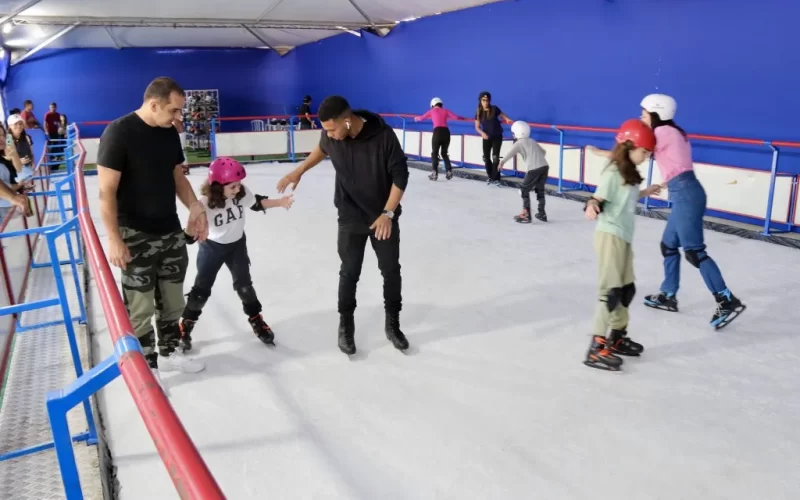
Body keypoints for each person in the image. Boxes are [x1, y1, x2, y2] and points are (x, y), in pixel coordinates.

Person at [588, 94, 745, 329]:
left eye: (644, 115)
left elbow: (630, 152)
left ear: (656, 114)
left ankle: (726, 299)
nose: (642, 119)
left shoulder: (661, 133)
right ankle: (668, 295)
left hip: (686, 195)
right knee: (669, 245)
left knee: (694, 251)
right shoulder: (674, 132)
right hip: (685, 193)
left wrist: (599, 152)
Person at [276, 95, 410, 356]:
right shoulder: (332, 136)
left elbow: (400, 176)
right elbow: (322, 148)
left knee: (391, 271)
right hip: (349, 216)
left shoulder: (383, 137)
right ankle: (345, 325)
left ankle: (393, 324)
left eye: (332, 129)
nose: (329, 135)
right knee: (349, 272)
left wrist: (387, 213)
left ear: (347, 122)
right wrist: (299, 170)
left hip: (383, 217)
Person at [96, 76, 209, 376]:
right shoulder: (118, 133)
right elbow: (106, 191)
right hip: (135, 233)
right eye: (173, 110)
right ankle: (147, 366)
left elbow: (177, 178)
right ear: (154, 104)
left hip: (169, 231)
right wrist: (114, 238)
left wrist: (195, 207)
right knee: (140, 307)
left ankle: (170, 351)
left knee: (172, 300)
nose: (178, 117)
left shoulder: (168, 133)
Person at [179, 157, 294, 351]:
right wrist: (192, 222)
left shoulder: (240, 194)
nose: (238, 189)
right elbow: (189, 239)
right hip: (212, 249)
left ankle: (256, 318)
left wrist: (280, 202)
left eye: (239, 185)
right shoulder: (205, 204)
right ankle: (186, 325)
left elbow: (256, 203)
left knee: (245, 287)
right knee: (201, 291)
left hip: (236, 246)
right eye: (233, 186)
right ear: (217, 186)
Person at [583, 119, 661, 371]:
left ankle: (616, 338)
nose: (647, 157)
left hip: (624, 237)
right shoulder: (613, 172)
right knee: (611, 292)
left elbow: (626, 197)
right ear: (630, 146)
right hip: (609, 235)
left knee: (626, 290)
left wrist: (647, 192)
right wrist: (592, 205)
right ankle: (596, 348)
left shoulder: (629, 173)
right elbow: (598, 198)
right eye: (644, 152)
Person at [499, 121, 550, 223]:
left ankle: (526, 215)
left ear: (517, 132)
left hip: (533, 169)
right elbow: (544, 152)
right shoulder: (532, 141)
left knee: (523, 190)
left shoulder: (519, 143)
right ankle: (542, 213)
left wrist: (502, 162)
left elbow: (510, 153)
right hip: (544, 166)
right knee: (540, 190)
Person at [414, 97, 460, 181]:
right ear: (441, 104)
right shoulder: (446, 110)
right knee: (444, 153)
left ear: (432, 105)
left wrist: (416, 118)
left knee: (434, 153)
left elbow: (422, 118)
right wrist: (463, 118)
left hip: (437, 132)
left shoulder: (431, 111)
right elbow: (456, 117)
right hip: (446, 132)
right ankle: (449, 171)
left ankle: (434, 173)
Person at [474, 91, 512, 186]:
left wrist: (507, 119)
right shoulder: (479, 113)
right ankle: (491, 177)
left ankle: (497, 178)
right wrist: (482, 133)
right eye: (483, 100)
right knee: (486, 158)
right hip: (486, 138)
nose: (485, 102)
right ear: (480, 101)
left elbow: (502, 115)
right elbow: (477, 127)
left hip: (497, 136)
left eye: (487, 100)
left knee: (495, 158)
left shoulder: (494, 109)